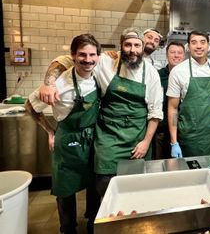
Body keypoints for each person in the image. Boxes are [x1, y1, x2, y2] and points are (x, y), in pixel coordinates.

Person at [38, 27, 163, 196]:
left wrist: (146, 142)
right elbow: (67, 60)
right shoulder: (105, 61)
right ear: (121, 46)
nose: (132, 50)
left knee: (136, 186)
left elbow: (155, 112)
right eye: (127, 45)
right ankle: (101, 220)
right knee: (104, 184)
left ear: (142, 48)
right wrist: (49, 83)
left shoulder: (151, 73)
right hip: (108, 138)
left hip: (137, 139)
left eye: (137, 45)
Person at [25, 34, 101, 234]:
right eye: (82, 55)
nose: (88, 59)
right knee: (65, 189)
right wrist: (50, 131)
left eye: (92, 55)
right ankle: (68, 228)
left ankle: (93, 222)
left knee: (94, 184)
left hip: (92, 139)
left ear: (98, 57)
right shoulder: (59, 83)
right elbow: (30, 106)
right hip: (67, 141)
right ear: (73, 56)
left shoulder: (99, 76)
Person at [167, 30, 210, 158]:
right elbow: (173, 109)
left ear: (208, 45)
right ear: (188, 46)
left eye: (203, 42)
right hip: (188, 135)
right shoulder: (178, 71)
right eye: (194, 42)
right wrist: (174, 141)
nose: (198, 46)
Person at [154, 41, 186, 159]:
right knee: (159, 163)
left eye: (179, 53)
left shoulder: (187, 75)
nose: (176, 55)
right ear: (167, 55)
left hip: (182, 129)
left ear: (184, 56)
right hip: (161, 129)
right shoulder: (157, 75)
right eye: (172, 52)